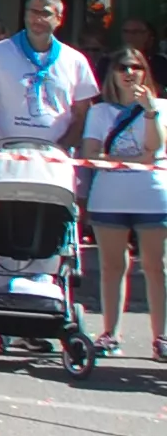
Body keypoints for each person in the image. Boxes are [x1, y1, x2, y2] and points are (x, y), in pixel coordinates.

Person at [81, 47, 166, 360]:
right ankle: (110, 334)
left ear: (145, 72)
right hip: (110, 197)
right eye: (122, 68)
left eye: (136, 67)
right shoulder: (99, 112)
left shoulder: (161, 107)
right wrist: (130, 159)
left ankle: (161, 337)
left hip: (153, 196)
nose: (129, 73)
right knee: (112, 266)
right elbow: (91, 154)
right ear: (112, 75)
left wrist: (150, 112)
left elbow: (155, 150)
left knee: (157, 267)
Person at [0, 0, 97, 154]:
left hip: (54, 156)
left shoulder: (75, 60)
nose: (38, 19)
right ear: (25, 15)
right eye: (33, 12)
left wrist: (63, 149)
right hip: (6, 154)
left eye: (45, 13)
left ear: (59, 19)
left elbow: (82, 114)